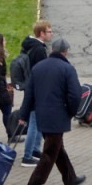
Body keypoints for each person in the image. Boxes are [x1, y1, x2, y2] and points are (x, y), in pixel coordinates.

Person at [18, 38, 85, 185]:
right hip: (57, 116)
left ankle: (70, 179)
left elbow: (29, 94)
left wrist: (23, 115)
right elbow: (75, 95)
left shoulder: (38, 67)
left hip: (41, 115)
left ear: (51, 50)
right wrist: (70, 113)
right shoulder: (68, 69)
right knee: (49, 153)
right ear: (65, 51)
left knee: (57, 148)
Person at [19, 20, 54, 167]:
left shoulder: (29, 46)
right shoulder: (39, 50)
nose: (51, 34)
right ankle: (27, 156)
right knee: (34, 122)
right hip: (37, 90)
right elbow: (42, 71)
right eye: (49, 31)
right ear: (41, 33)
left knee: (38, 121)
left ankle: (35, 150)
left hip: (31, 87)